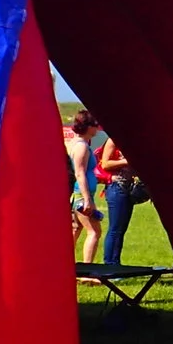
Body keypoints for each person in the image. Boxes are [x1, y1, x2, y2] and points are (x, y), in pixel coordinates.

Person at [65, 111, 104, 263]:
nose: (98, 128)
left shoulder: (76, 143)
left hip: (78, 194)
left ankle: (65, 264)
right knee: (94, 232)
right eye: (95, 125)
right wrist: (87, 200)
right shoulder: (81, 146)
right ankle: (87, 270)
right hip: (81, 195)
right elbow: (80, 173)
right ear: (88, 127)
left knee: (76, 228)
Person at [97, 128, 139, 266]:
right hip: (116, 187)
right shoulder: (113, 140)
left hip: (128, 188)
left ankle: (116, 263)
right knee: (115, 229)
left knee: (121, 229)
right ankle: (110, 264)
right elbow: (105, 164)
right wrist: (127, 161)